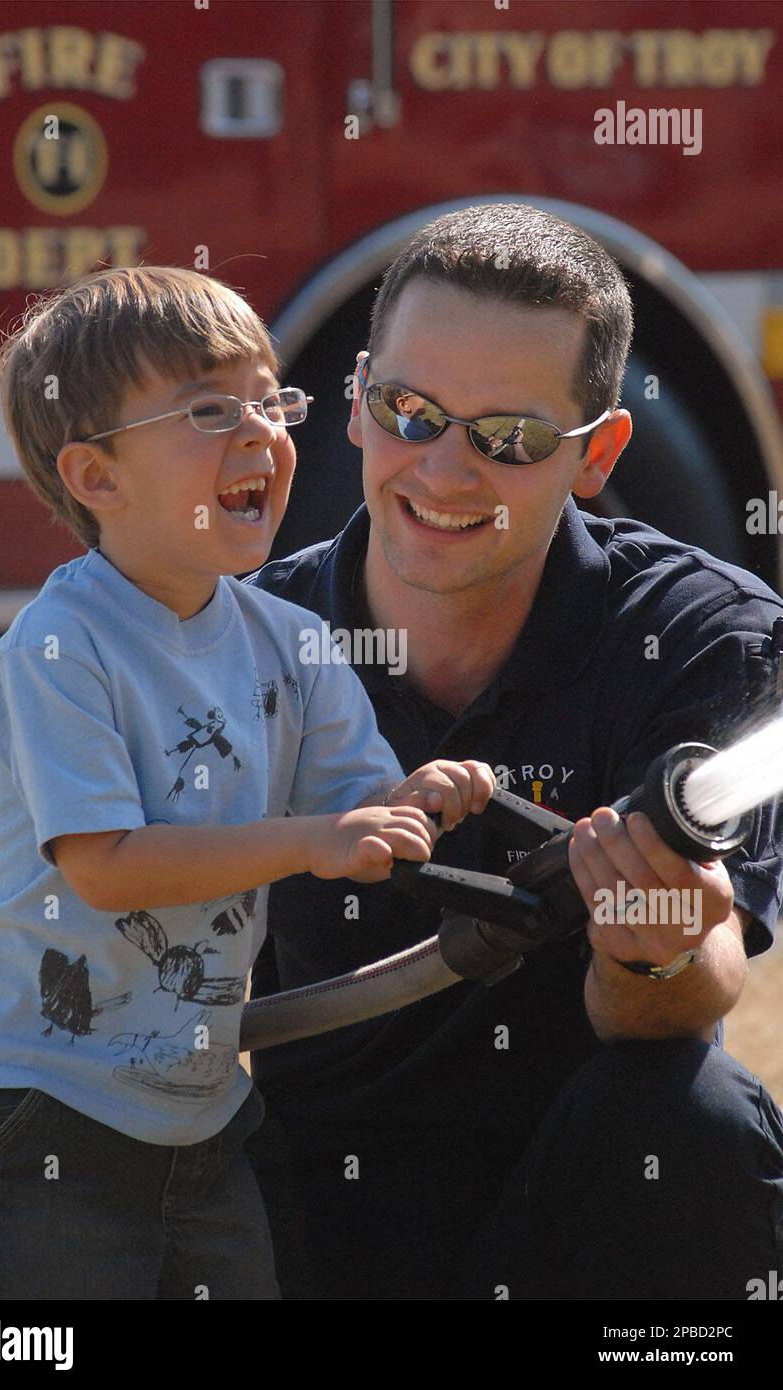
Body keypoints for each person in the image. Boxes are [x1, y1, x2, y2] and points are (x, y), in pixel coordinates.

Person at [0, 266, 496, 1300]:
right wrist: (316, 843)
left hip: (196, 1106)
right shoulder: (59, 649)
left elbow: (359, 808)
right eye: (209, 409)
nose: (261, 434)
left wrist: (426, 798)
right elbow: (105, 865)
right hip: (31, 1104)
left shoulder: (297, 642)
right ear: (96, 478)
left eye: (270, 401)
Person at [244, 203, 783, 1301]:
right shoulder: (235, 651)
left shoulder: (703, 638)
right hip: (309, 1209)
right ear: (354, 404)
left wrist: (651, 949)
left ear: (600, 455)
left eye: (510, 438)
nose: (445, 472)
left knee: (692, 1114)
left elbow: (702, 973)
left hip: (581, 1210)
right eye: (410, 411)